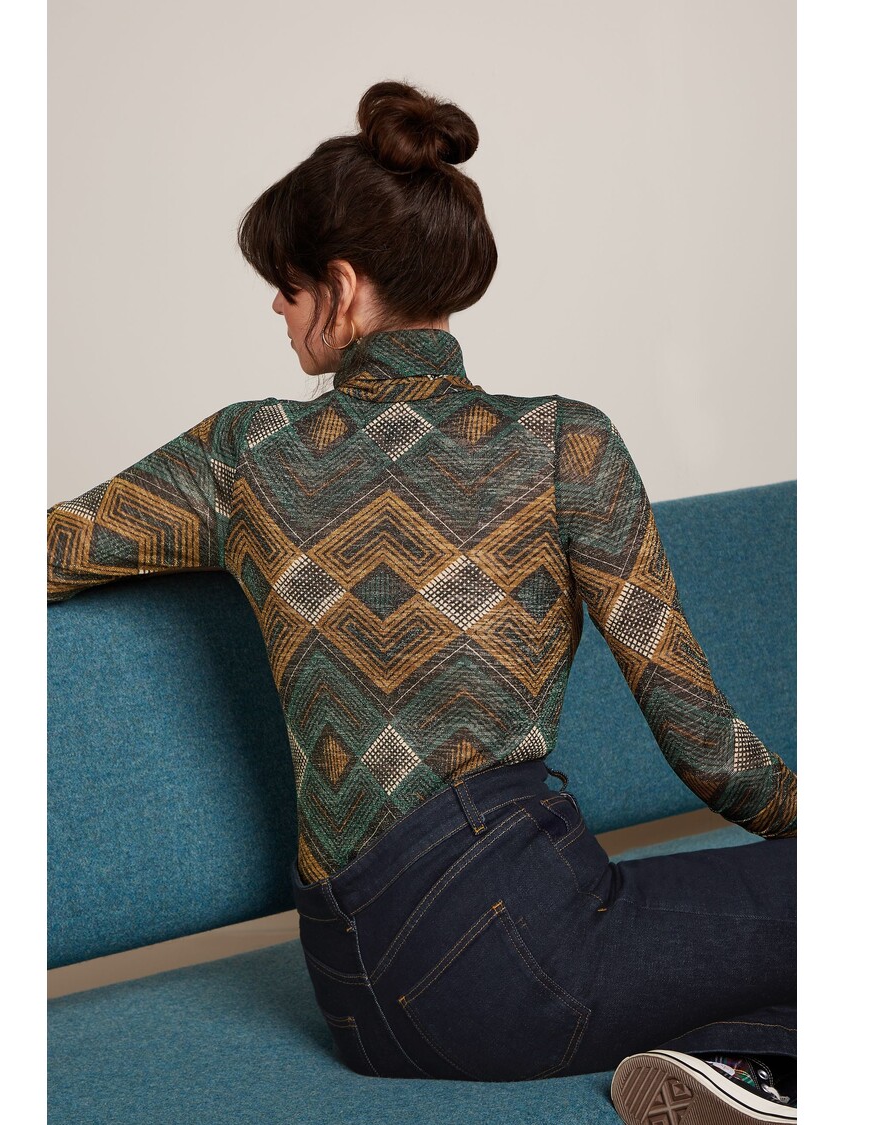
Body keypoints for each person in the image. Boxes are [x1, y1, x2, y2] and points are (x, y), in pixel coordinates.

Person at [47, 80, 797, 1121]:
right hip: (525, 956)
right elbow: (707, 746)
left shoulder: (240, 454)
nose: (277, 309)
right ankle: (768, 1060)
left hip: (359, 997)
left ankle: (750, 1065)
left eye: (287, 286)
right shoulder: (563, 444)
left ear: (342, 288)